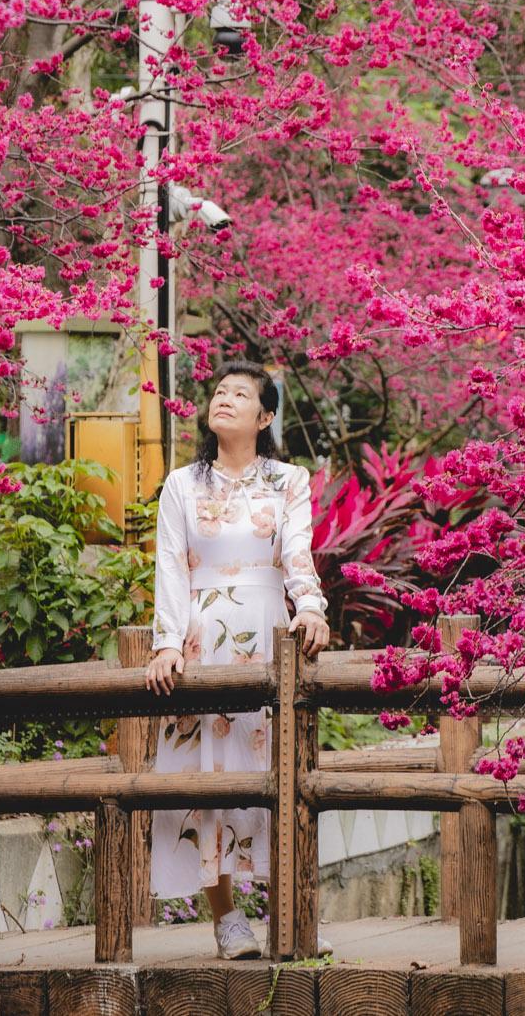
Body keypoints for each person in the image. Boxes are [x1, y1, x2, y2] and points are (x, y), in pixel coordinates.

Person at [143, 363, 332, 960]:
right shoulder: (181, 484)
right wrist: (168, 641)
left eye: (240, 394)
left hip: (268, 636)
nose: (224, 399)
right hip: (202, 640)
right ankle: (226, 918)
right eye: (219, 391)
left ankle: (291, 913)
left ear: (265, 416)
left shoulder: (288, 480)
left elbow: (297, 551)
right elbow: (170, 564)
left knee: (276, 768)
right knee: (207, 777)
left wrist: (310, 607)